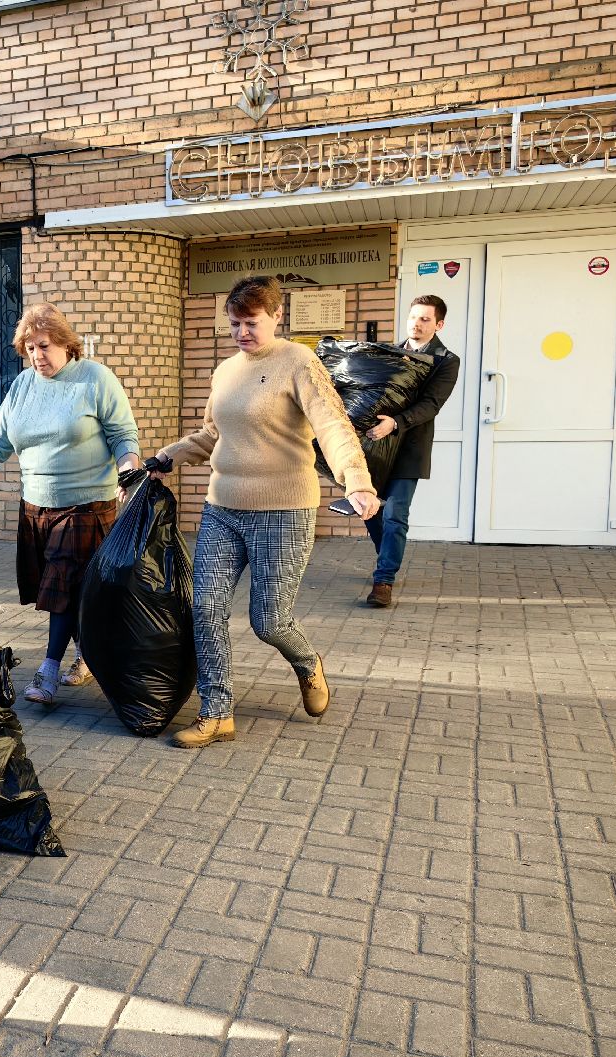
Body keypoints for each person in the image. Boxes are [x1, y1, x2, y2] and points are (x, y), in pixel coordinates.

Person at [152, 276, 379, 749]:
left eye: (251, 323)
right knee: (206, 608)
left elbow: (332, 425)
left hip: (283, 510)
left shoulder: (299, 362)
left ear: (277, 317)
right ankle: (217, 713)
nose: (242, 333)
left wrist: (356, 480)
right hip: (222, 508)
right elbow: (212, 434)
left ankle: (307, 663)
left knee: (269, 620)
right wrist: (166, 458)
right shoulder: (225, 372)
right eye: (234, 324)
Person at [0, 302, 142, 706]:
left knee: (63, 584)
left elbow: (123, 435)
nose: (38, 356)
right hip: (36, 507)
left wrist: (129, 470)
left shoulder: (94, 379)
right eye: (31, 348)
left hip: (87, 505)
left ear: (67, 345)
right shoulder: (22, 386)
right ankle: (87, 655)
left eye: (45, 346)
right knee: (64, 590)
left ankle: (48, 671)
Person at [362, 295, 460, 608]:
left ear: (439, 324)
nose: (416, 324)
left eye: (425, 319)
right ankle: (386, 557)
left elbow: (432, 404)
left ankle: (384, 579)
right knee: (369, 508)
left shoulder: (446, 360)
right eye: (413, 317)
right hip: (376, 443)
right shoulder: (389, 352)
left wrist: (396, 422)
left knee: (395, 514)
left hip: (409, 446)